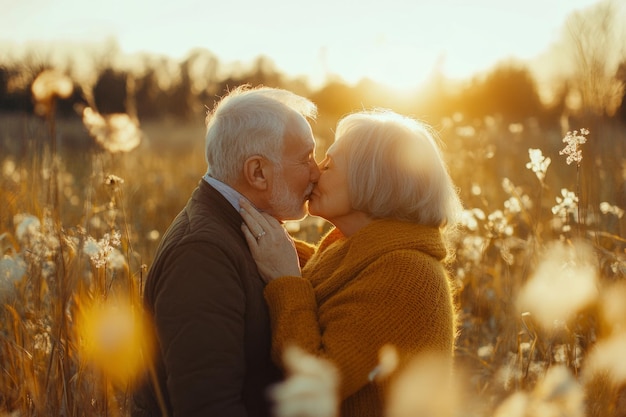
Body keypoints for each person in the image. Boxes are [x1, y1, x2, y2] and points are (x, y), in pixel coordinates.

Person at [239, 109, 463, 417]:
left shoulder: (407, 275)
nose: (314, 171)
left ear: (370, 179)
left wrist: (285, 281)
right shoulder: (355, 247)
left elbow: (316, 377)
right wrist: (274, 244)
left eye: (329, 164)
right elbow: (328, 279)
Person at [132, 85, 321, 417]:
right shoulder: (201, 256)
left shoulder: (240, 229)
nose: (317, 172)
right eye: (306, 158)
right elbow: (208, 407)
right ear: (258, 172)